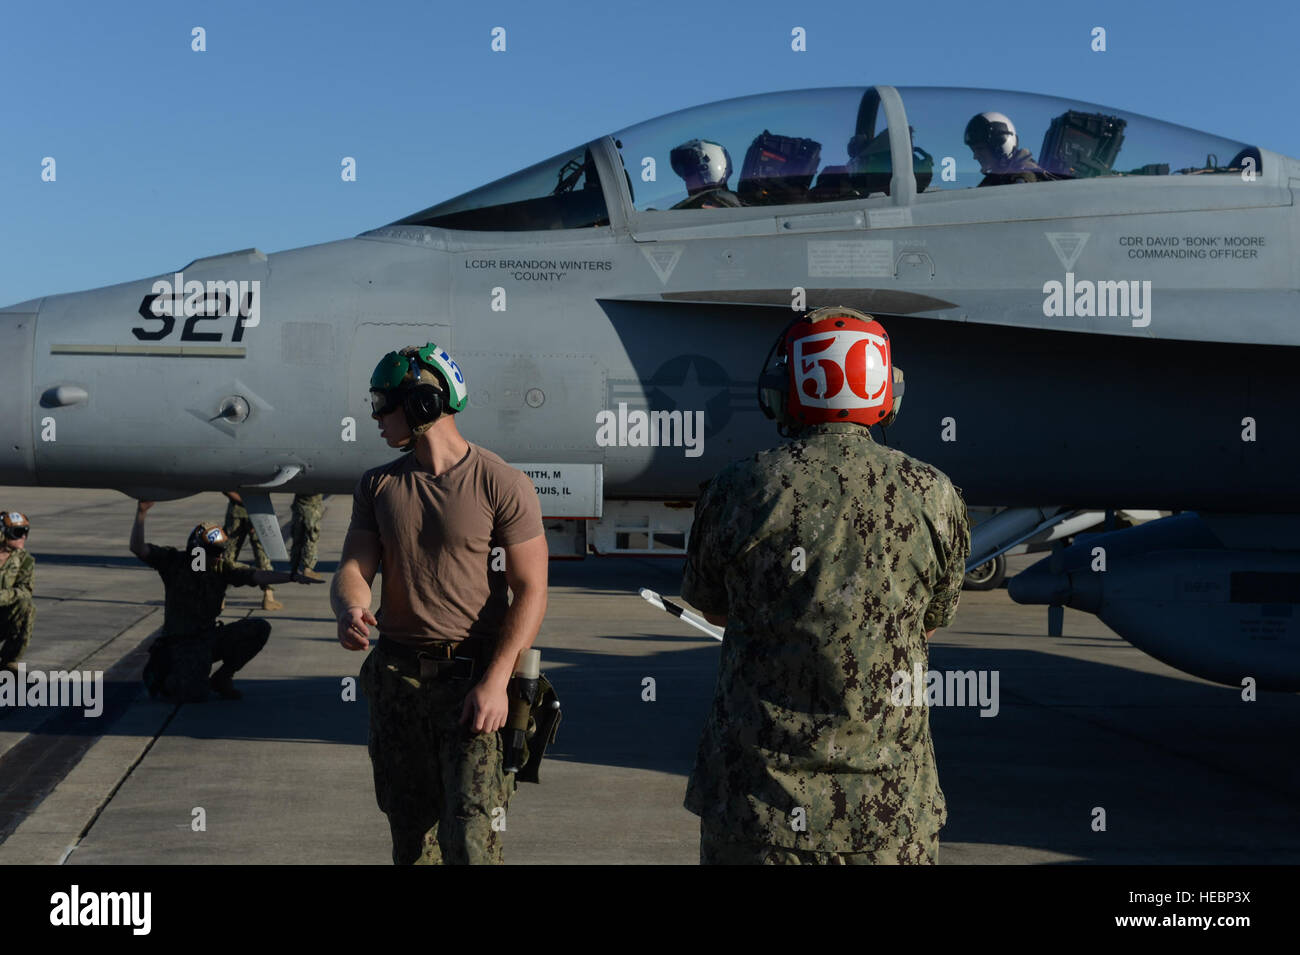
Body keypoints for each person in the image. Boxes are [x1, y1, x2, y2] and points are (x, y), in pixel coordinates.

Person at [680, 306, 970, 865]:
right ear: (887, 391)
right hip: (889, 816)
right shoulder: (933, 493)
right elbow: (935, 616)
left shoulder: (739, 487)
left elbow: (710, 606)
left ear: (789, 389)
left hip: (758, 810)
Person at [331, 342, 547, 865]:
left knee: (472, 840)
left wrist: (496, 682)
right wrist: (350, 608)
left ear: (425, 402)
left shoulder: (502, 483)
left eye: (386, 403)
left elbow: (532, 590)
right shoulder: (378, 484)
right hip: (396, 679)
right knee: (409, 837)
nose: (377, 416)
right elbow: (355, 567)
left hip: (472, 684)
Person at [131, 501, 320, 700]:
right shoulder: (174, 562)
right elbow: (138, 548)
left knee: (258, 628)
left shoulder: (221, 569)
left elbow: (257, 575)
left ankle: (222, 677)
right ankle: (165, 677)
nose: (218, 557)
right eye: (213, 553)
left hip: (208, 638)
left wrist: (290, 577)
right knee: (192, 694)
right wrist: (141, 513)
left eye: (219, 552)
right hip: (180, 644)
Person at [222, 491, 282, 610]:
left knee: (228, 557)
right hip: (256, 511)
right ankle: (268, 596)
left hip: (238, 512)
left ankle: (219, 597)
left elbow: (226, 488)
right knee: (262, 556)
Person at [964, 111, 1050, 186]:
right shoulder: (995, 180)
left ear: (999, 147)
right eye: (974, 150)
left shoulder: (1023, 179)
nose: (975, 156)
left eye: (980, 149)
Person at [0, 512, 36, 674]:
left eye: (25, 532)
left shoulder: (24, 560)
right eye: (17, 533)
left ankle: (9, 661)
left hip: (3, 616)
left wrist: (2, 597)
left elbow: (25, 591)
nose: (22, 537)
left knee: (27, 607)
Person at [670, 139, 743, 209]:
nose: (687, 181)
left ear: (709, 169)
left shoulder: (718, 202)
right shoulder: (730, 202)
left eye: (690, 174)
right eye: (686, 176)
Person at [289, 493, 325, 582]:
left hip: (299, 508)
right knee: (310, 539)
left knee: (297, 539)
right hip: (311, 508)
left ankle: (294, 569)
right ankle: (307, 569)